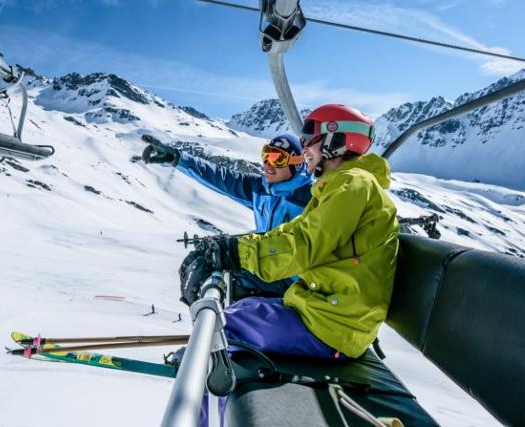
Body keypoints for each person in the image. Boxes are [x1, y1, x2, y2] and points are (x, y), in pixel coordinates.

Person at [180, 104, 400, 361]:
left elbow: (303, 244)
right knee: (242, 309)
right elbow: (293, 231)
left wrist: (234, 253)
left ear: (335, 140)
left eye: (309, 137)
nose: (304, 146)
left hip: (333, 326)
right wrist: (233, 247)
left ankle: (201, 389)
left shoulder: (353, 185)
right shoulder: (340, 186)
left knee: (218, 329)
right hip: (327, 314)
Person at [143, 133, 313, 297]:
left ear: (296, 164)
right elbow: (221, 177)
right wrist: (178, 159)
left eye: (277, 159)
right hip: (267, 266)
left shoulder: (310, 198)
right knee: (204, 265)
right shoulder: (262, 189)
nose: (267, 165)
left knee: (230, 282)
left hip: (296, 280)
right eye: (266, 156)